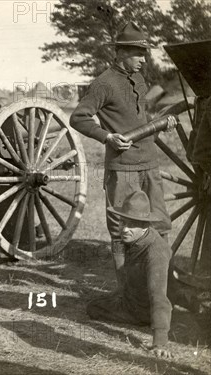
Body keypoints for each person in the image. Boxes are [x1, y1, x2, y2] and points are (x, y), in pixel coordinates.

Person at [69, 22, 175, 290]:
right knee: (122, 232)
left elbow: (141, 117)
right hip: (123, 169)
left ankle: (162, 288)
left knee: (160, 224)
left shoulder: (139, 79)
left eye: (144, 53)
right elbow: (78, 118)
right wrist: (107, 137)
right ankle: (127, 294)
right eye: (139, 54)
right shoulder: (103, 84)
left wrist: (162, 122)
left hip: (149, 165)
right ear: (121, 54)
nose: (144, 59)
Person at [87, 191, 173, 359]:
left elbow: (159, 297)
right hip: (134, 298)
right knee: (95, 304)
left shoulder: (155, 252)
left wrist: (160, 341)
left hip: (144, 309)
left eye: (132, 225)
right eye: (122, 222)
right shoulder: (137, 238)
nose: (125, 229)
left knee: (93, 308)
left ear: (146, 225)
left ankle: (145, 319)